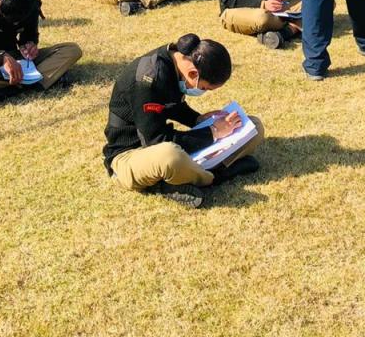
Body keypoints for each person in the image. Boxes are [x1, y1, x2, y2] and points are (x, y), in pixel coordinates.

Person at [102, 34, 265, 208]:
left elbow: (170, 105)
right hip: (130, 158)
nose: (203, 92)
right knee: (170, 155)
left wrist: (198, 119)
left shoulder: (174, 63)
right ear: (193, 73)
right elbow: (155, 141)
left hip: (158, 146)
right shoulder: (148, 79)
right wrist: (213, 132)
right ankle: (216, 176)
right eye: (204, 88)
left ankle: (188, 176)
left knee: (253, 125)